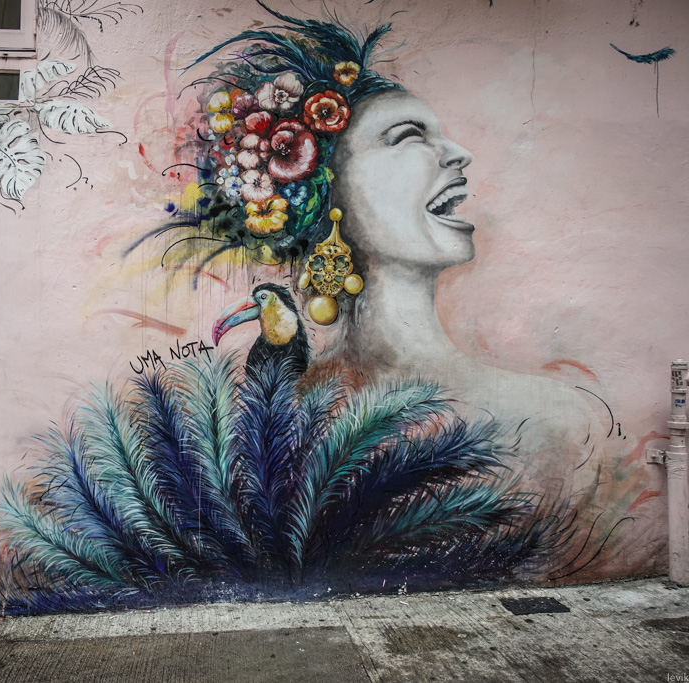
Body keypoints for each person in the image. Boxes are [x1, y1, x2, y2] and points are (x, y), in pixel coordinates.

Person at [180, 2, 611, 503]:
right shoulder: (278, 422)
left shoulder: (557, 419)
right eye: (409, 136)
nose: (460, 153)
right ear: (327, 187)